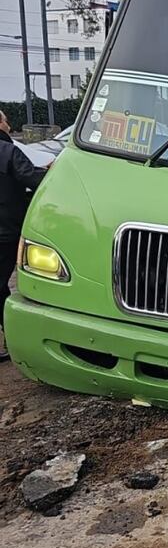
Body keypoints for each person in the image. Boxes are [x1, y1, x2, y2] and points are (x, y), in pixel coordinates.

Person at [0, 111, 46, 361]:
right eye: (6, 120)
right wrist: (54, 174)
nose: (9, 125)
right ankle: (12, 333)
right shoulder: (8, 152)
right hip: (6, 231)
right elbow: (32, 178)